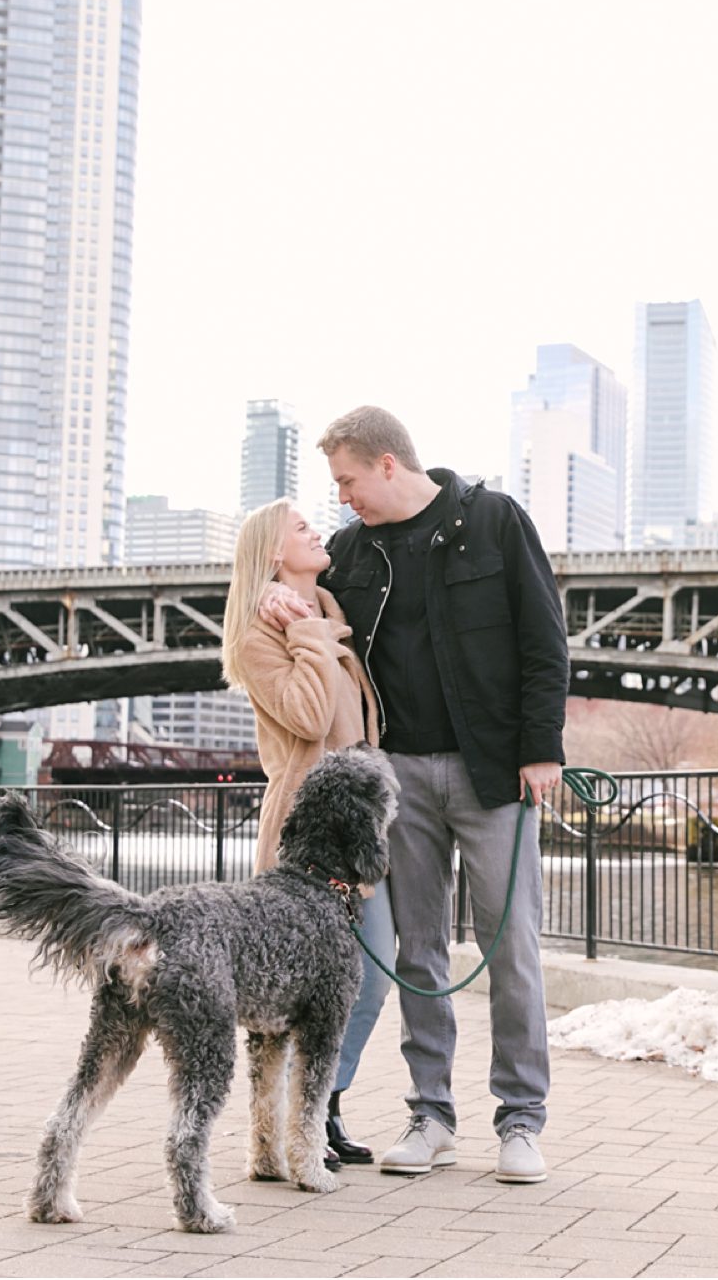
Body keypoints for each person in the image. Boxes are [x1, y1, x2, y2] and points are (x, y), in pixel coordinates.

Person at [263, 405, 568, 1186]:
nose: (342, 498)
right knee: (418, 952)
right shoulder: (350, 552)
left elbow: (544, 638)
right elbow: (298, 594)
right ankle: (431, 1116)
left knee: (511, 946)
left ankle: (521, 1119)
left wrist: (542, 747)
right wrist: (271, 598)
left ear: (388, 464)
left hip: (495, 772)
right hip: (396, 780)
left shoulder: (495, 521)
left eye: (348, 481)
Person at [222, 497, 395, 1169]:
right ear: (272, 552)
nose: (317, 531)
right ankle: (294, 1127)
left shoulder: (326, 608)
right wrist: (305, 633)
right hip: (306, 836)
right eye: (301, 527)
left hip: (355, 832)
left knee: (369, 977)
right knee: (302, 987)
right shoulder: (261, 634)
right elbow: (310, 716)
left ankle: (322, 1104)